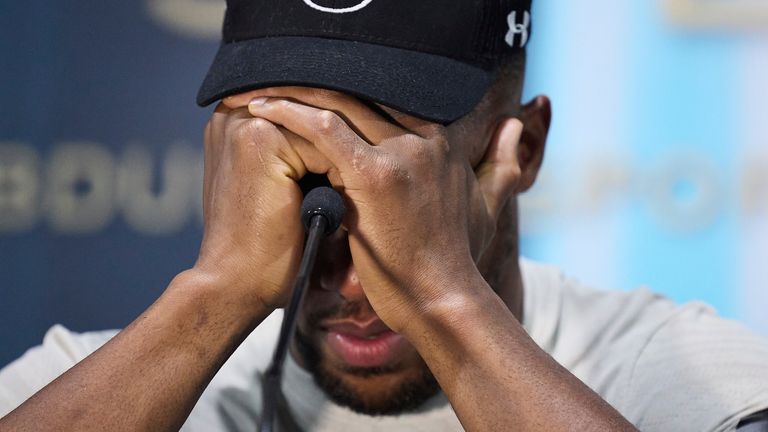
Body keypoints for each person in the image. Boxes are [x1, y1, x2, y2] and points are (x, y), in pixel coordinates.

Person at [1, 0, 768, 431]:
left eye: (402, 189)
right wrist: (214, 296)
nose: (348, 274)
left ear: (522, 148)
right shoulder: (104, 381)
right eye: (302, 190)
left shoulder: (675, 372)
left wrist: (445, 301)